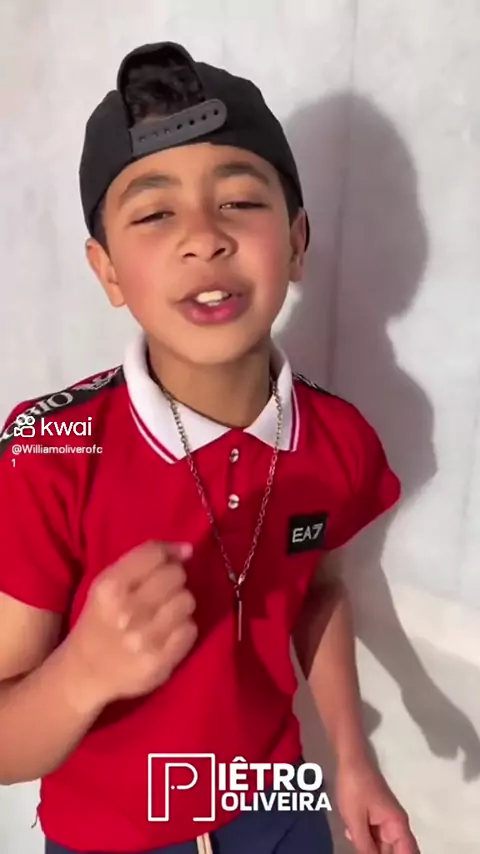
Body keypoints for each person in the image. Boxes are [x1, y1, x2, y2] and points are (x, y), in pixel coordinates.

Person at [0, 42, 420, 854]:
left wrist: (353, 760)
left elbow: (318, 590)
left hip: (278, 806)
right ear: (107, 270)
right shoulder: (48, 453)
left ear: (297, 240)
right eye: (155, 213)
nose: (204, 238)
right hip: (107, 835)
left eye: (239, 201)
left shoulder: (339, 439)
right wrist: (82, 673)